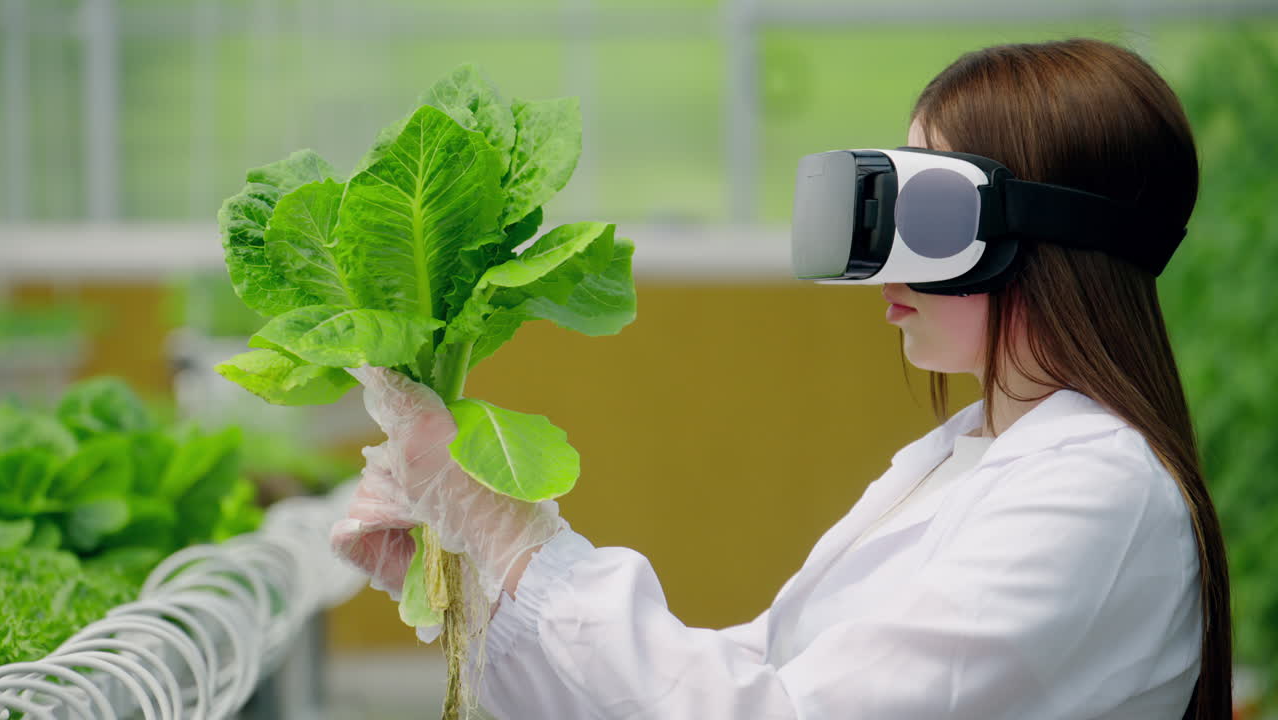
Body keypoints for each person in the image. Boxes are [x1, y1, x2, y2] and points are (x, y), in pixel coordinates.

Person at [330, 38, 1231, 719]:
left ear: (1036, 237)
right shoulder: (963, 456)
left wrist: (515, 534)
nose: (885, 274)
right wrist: (471, 576)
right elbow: (751, 676)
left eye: (926, 219)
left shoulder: (1095, 492)